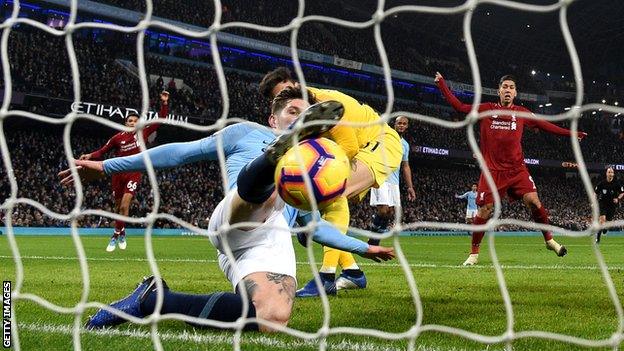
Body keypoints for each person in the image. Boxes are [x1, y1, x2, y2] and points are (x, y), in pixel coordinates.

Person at [60, 88, 394, 332]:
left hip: (270, 239)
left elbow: (313, 228)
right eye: (294, 112)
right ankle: (269, 162)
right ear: (272, 118)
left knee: (272, 318)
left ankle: (153, 300)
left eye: (306, 116)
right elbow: (178, 153)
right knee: (264, 197)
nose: (300, 117)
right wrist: (107, 167)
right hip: (236, 216)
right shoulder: (246, 132)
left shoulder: (314, 165)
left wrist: (363, 248)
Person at [258, 67, 403, 296]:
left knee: (332, 193)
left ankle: (325, 278)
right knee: (325, 199)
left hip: (379, 142)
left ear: (296, 84)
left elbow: (349, 147)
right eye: (279, 99)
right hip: (359, 149)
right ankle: (353, 272)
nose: (288, 99)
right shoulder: (297, 114)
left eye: (288, 90)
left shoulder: (325, 104)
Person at [434, 72, 587, 266]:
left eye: (511, 87)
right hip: (492, 171)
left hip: (517, 170)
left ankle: (549, 240)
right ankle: (474, 254)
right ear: (499, 91)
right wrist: (442, 85)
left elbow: (546, 126)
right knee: (484, 210)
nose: (508, 90)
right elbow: (460, 106)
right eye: (504, 87)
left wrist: (571, 133)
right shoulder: (486, 109)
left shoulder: (522, 113)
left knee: (533, 201)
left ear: (515, 93)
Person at [79, 91, 169, 252]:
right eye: (130, 121)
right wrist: (89, 156)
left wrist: (164, 103)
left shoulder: (143, 132)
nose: (133, 123)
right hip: (117, 173)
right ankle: (122, 231)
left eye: (135, 121)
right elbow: (102, 151)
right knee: (117, 208)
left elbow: (161, 119)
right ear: (125, 123)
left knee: (125, 206)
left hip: (134, 172)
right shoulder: (116, 138)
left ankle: (115, 235)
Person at [368, 115, 416, 246]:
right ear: (394, 124)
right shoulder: (385, 137)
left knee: (389, 212)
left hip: (394, 182)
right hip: (381, 178)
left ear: (407, 126)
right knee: (383, 210)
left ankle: (375, 238)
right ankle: (373, 235)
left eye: (404, 124)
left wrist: (410, 187)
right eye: (399, 123)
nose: (401, 125)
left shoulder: (405, 145)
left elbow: (405, 166)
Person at [594, 167, 624, 243]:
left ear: (613, 174)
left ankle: (605, 229)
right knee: (602, 220)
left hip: (612, 206)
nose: (610, 173)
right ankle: (598, 238)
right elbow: (595, 193)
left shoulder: (617, 184)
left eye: (611, 172)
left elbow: (622, 192)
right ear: (606, 174)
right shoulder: (601, 183)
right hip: (603, 204)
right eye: (609, 172)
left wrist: (618, 199)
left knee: (608, 222)